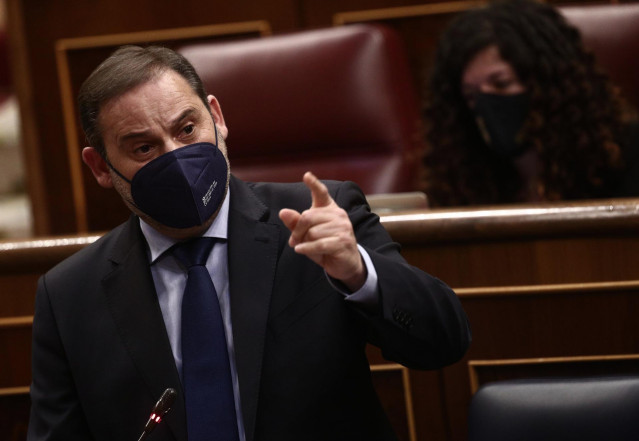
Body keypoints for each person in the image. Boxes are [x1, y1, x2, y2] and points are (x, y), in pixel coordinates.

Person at [27, 45, 471, 441]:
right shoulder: (70, 295)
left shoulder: (319, 216)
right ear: (101, 168)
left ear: (216, 117)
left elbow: (444, 342)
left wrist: (359, 272)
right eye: (143, 149)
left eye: (186, 130)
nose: (176, 158)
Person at [422, 0, 639, 206]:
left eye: (501, 84)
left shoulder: (625, 157)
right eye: (470, 95)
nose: (486, 103)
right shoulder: (469, 183)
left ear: (548, 81)